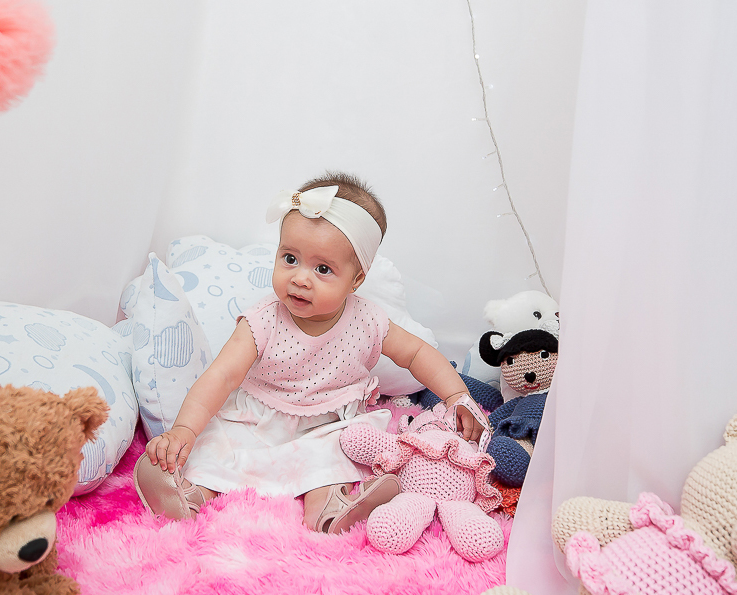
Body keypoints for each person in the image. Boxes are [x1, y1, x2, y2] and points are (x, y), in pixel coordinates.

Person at [134, 172, 486, 533]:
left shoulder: (367, 320)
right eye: (290, 258)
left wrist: (457, 396)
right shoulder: (264, 320)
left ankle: (329, 509)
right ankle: (188, 495)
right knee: (218, 447)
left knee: (335, 455)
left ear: (356, 279)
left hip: (330, 424)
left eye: (322, 269)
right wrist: (184, 430)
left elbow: (416, 354)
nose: (300, 278)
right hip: (259, 419)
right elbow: (221, 376)